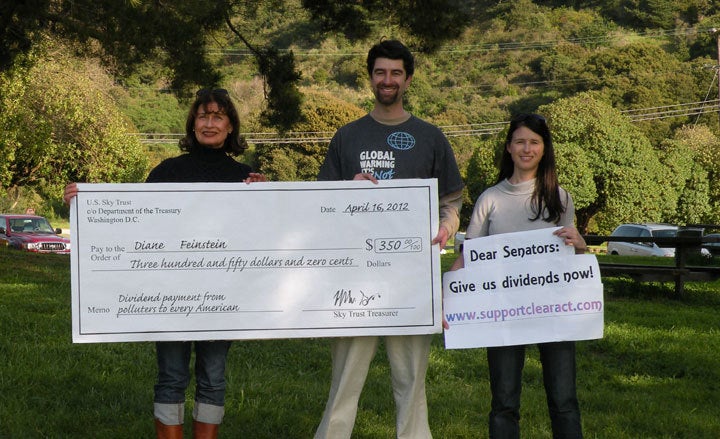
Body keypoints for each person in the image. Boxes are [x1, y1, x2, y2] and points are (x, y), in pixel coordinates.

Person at [64, 88, 266, 439]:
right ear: (192, 124)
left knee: (214, 377)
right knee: (171, 376)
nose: (209, 123)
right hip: (169, 298)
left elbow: (263, 235)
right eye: (203, 116)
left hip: (222, 298)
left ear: (231, 126)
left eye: (218, 116)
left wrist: (268, 198)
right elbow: (133, 222)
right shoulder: (167, 171)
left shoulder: (246, 178)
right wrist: (84, 204)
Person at [314, 40, 465, 439]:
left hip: (411, 279)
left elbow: (452, 201)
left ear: (408, 79)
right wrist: (348, 188)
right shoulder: (348, 136)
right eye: (380, 72)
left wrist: (446, 227)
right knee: (344, 379)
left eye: (396, 73)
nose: (387, 80)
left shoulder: (430, 136)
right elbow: (320, 204)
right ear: (370, 77)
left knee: (411, 379)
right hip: (353, 280)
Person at [448, 113, 587, 439]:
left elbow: (571, 258)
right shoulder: (490, 199)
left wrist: (581, 247)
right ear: (509, 147)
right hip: (503, 313)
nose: (527, 148)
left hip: (555, 312)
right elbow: (469, 257)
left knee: (564, 399)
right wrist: (446, 297)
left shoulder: (561, 198)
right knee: (504, 402)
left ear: (544, 148)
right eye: (520, 141)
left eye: (534, 142)